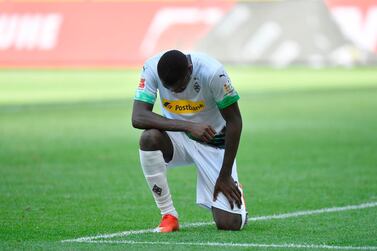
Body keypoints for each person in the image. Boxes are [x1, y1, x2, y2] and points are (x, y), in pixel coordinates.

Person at [131, 49, 247, 232]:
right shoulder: (151, 68)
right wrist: (188, 126)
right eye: (168, 88)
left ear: (190, 69)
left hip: (213, 141)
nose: (174, 92)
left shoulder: (213, 72)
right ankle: (168, 215)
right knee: (149, 138)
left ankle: (235, 186)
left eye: (179, 87)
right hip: (178, 137)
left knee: (229, 224)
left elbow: (235, 121)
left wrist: (225, 176)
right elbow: (138, 117)